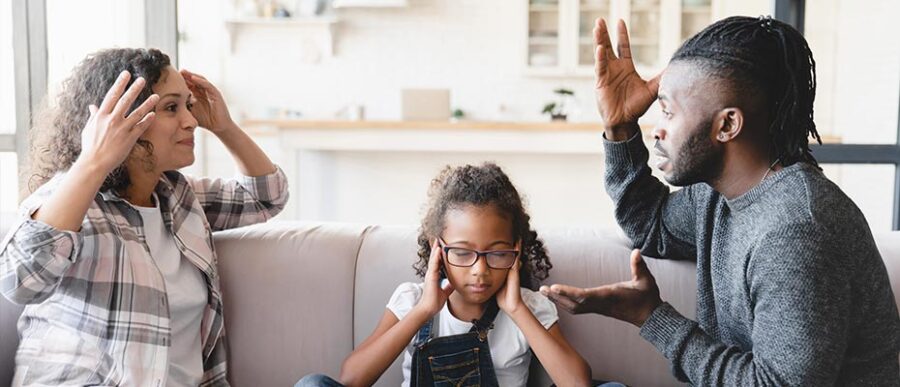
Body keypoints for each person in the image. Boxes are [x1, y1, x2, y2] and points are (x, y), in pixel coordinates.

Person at [541, 16, 900, 385]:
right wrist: (620, 128)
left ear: (727, 125)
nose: (657, 128)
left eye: (668, 111)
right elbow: (652, 226)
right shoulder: (719, 194)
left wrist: (653, 318)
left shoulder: (796, 231)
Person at [0, 48, 289, 386]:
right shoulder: (72, 202)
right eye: (171, 108)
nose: (191, 121)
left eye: (189, 106)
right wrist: (95, 159)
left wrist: (225, 127)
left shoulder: (178, 198)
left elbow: (267, 195)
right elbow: (19, 282)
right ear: (121, 120)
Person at [297, 163, 593, 386]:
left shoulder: (530, 307)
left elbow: (578, 383)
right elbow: (351, 378)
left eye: (497, 253)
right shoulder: (411, 300)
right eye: (463, 253)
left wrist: (516, 309)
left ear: (516, 248)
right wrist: (425, 310)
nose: (480, 270)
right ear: (437, 247)